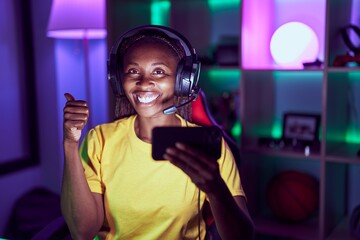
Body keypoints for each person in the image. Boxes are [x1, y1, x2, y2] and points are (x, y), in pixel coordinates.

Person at [62, 25, 254, 240]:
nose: (144, 83)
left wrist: (216, 189)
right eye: (133, 71)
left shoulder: (209, 146)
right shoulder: (100, 139)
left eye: (159, 71)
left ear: (183, 81)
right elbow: (82, 232)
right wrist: (70, 144)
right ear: (118, 79)